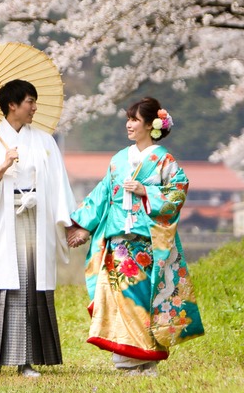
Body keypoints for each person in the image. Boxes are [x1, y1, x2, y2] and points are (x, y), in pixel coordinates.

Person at [66, 97, 205, 375]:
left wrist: (146, 192)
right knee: (119, 296)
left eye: (135, 120)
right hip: (118, 240)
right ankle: (127, 356)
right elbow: (103, 194)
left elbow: (178, 190)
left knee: (143, 299)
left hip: (148, 241)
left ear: (151, 125)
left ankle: (145, 356)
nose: (129, 125)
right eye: (128, 119)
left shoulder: (164, 159)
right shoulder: (119, 159)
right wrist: (82, 226)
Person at [0, 79, 76, 379]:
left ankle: (27, 361)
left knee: (30, 283)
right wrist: (0, 167)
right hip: (2, 219)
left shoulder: (45, 141)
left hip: (34, 216)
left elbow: (59, 184)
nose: (34, 108)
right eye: (29, 102)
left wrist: (69, 223)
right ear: (12, 105)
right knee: (3, 286)